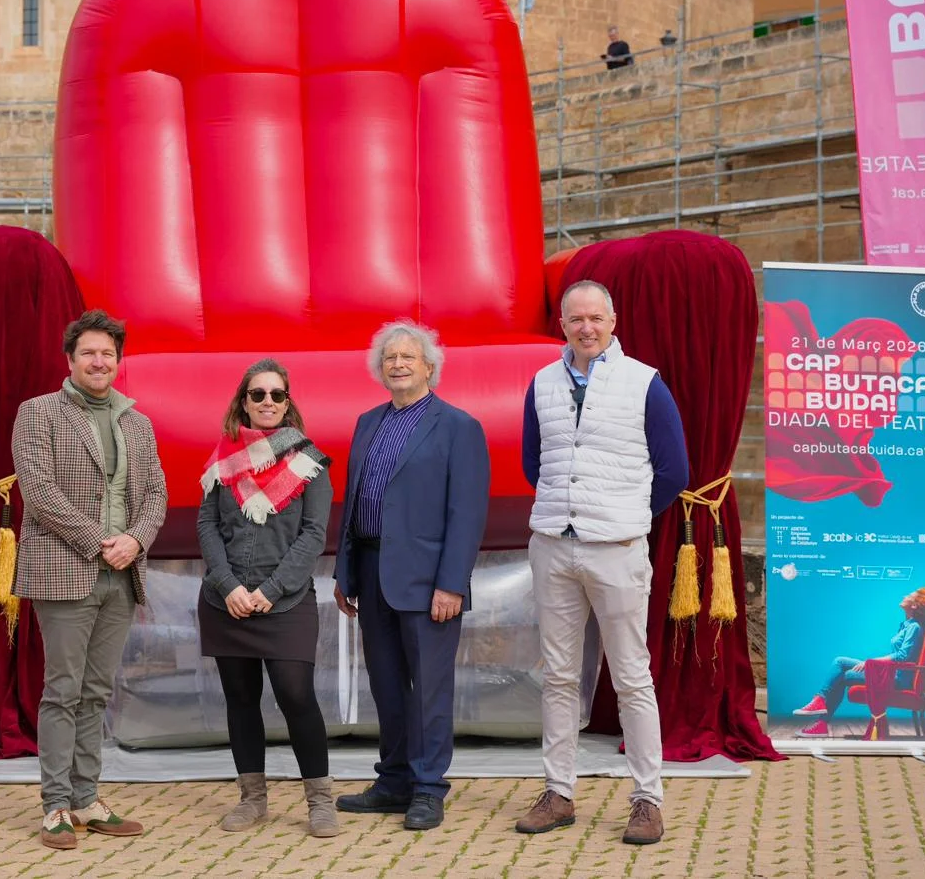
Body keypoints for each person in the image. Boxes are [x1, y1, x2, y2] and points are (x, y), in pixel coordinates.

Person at [515, 280, 689, 846]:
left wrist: (625, 515)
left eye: (595, 318)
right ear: (562, 325)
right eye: (575, 319)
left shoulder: (645, 383)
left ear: (612, 321)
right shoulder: (542, 382)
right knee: (559, 676)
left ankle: (647, 799)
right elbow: (534, 460)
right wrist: (566, 508)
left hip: (616, 548)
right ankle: (558, 792)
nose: (585, 328)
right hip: (553, 545)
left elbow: (674, 471)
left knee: (632, 675)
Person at [12, 309, 168, 851]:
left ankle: (86, 799)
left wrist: (135, 541)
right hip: (65, 571)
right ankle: (55, 804)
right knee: (63, 690)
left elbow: (156, 493)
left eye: (107, 353)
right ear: (70, 360)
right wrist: (100, 540)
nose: (99, 361)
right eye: (89, 353)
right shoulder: (38, 413)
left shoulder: (137, 423)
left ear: (118, 361)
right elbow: (38, 490)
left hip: (122, 576)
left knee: (96, 693)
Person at [333, 320, 491, 832]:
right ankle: (394, 782)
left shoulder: (459, 427)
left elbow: (466, 513)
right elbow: (353, 502)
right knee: (386, 684)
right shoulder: (367, 422)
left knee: (428, 689)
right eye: (389, 358)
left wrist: (452, 583)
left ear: (429, 367)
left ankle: (427, 787)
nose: (397, 364)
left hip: (428, 581)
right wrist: (345, 571)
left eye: (407, 357)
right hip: (371, 570)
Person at [195, 359, 339, 837]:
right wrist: (228, 586)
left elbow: (313, 535)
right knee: (241, 700)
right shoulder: (222, 459)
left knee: (297, 696)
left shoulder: (309, 463)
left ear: (287, 402)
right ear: (244, 402)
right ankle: (252, 799)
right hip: (227, 602)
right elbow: (207, 526)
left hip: (286, 602)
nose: (268, 402)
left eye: (277, 395)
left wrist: (270, 590)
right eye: (258, 394)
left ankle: (320, 802)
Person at [793, 586, 925, 738]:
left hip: (896, 679)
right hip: (891, 672)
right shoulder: (907, 625)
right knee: (840, 661)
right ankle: (820, 701)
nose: (904, 596)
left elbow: (903, 656)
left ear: (915, 606)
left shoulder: (914, 627)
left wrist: (871, 662)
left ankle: (821, 720)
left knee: (843, 676)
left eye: (909, 595)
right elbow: (899, 655)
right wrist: (871, 663)